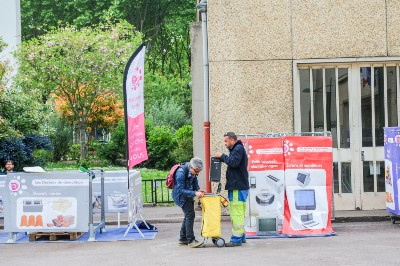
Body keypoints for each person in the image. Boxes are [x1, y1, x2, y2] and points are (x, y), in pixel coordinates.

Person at [215, 132, 249, 247]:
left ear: (232, 140)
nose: (225, 143)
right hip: (239, 187)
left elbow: (233, 163)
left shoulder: (238, 148)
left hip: (237, 187)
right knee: (240, 212)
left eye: (226, 141)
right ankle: (242, 236)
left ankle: (236, 239)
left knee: (236, 213)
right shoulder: (238, 149)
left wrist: (222, 156)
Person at [172, 157, 206, 248]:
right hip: (181, 197)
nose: (197, 173)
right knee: (190, 215)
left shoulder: (192, 170)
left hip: (188, 195)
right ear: (191, 167)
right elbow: (181, 190)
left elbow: (194, 180)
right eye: (196, 171)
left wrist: (198, 189)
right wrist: (195, 193)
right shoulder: (181, 173)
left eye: (199, 171)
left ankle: (183, 239)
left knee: (188, 216)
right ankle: (191, 240)